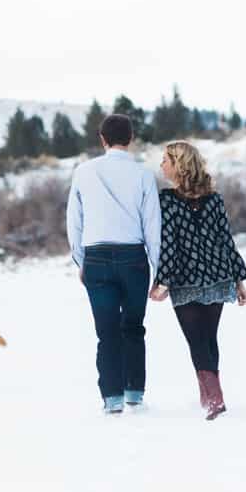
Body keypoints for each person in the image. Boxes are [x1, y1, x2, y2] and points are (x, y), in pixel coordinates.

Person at [66, 113, 162, 414]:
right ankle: (134, 393)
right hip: (134, 258)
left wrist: (80, 260)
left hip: (95, 257)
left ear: (102, 138)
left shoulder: (83, 172)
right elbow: (152, 225)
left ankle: (112, 400)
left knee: (106, 332)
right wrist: (159, 271)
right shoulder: (144, 175)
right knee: (133, 327)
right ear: (131, 139)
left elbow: (74, 221)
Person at [149, 141, 246, 420]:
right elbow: (226, 241)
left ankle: (214, 400)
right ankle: (209, 397)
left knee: (197, 340)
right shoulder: (214, 198)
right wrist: (237, 278)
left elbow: (169, 244)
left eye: (165, 160)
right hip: (218, 275)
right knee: (207, 339)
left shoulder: (166, 200)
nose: (162, 166)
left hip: (186, 279)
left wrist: (164, 282)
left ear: (178, 165)